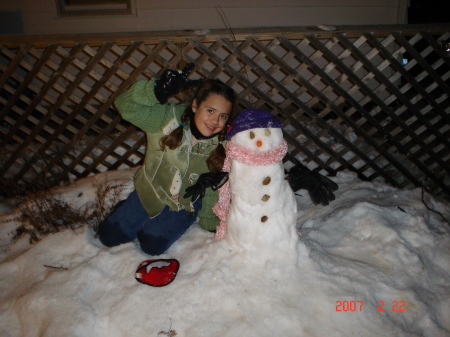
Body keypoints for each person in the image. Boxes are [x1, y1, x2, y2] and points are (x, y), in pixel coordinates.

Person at [98, 63, 236, 255]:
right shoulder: (165, 119)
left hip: (183, 202)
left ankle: (164, 222)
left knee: (151, 245)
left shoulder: (223, 145)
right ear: (195, 105)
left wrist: (208, 221)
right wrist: (154, 92)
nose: (215, 121)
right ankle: (127, 209)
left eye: (223, 116)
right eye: (210, 111)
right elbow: (125, 106)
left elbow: (214, 186)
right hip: (151, 191)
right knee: (108, 237)